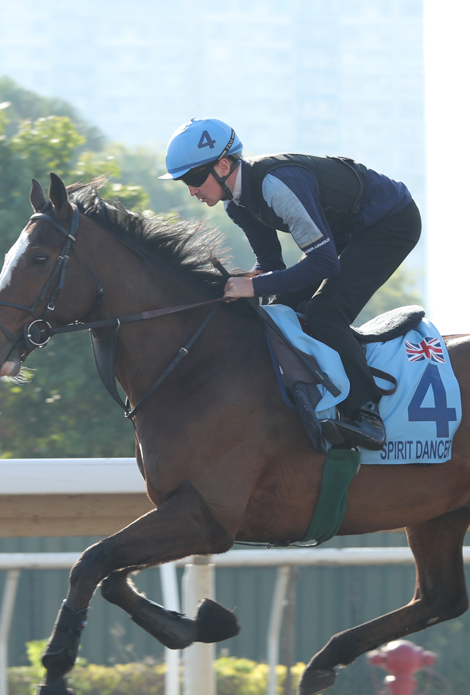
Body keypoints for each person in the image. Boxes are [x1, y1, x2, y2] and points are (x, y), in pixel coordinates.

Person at [159, 118, 421, 451]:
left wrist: (252, 288)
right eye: (185, 182)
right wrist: (244, 282)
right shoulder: (234, 204)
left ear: (223, 166)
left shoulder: (276, 186)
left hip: (391, 222)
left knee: (325, 312)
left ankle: (366, 414)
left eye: (194, 179)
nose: (192, 190)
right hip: (346, 229)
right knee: (280, 308)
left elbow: (325, 263)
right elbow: (270, 266)